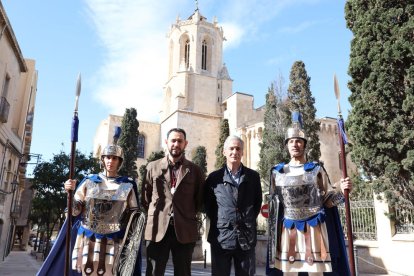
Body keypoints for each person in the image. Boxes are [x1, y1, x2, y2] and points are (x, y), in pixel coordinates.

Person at [37, 130, 142, 276]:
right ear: (103, 159)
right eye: (108, 157)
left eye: (114, 158)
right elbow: (75, 212)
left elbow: (134, 217)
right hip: (88, 238)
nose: (110, 161)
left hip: (115, 240)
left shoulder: (128, 184)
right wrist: (70, 193)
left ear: (119, 161)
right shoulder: (89, 181)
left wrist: (131, 244)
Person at [267, 112, 352, 276]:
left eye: (298, 141)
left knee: (315, 272)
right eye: (291, 141)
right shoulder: (277, 173)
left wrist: (342, 190)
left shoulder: (316, 170)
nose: (295, 144)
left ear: (304, 144)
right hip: (288, 229)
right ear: (287, 145)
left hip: (315, 229)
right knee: (289, 271)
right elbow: (274, 207)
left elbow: (327, 201)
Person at [142, 128, 204, 276]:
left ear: (185, 144)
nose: (176, 144)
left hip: (184, 229)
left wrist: (185, 213)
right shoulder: (152, 167)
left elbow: (199, 199)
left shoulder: (195, 170)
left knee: (183, 272)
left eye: (180, 141)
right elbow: (146, 197)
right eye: (173, 140)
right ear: (166, 142)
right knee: (154, 272)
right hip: (157, 227)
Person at [204, 135, 263, 276]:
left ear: (242, 152)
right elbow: (209, 206)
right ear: (224, 152)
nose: (234, 152)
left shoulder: (253, 177)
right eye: (231, 148)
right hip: (221, 238)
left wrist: (246, 220)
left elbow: (257, 203)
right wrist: (224, 221)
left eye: (238, 149)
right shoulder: (214, 178)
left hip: (246, 239)